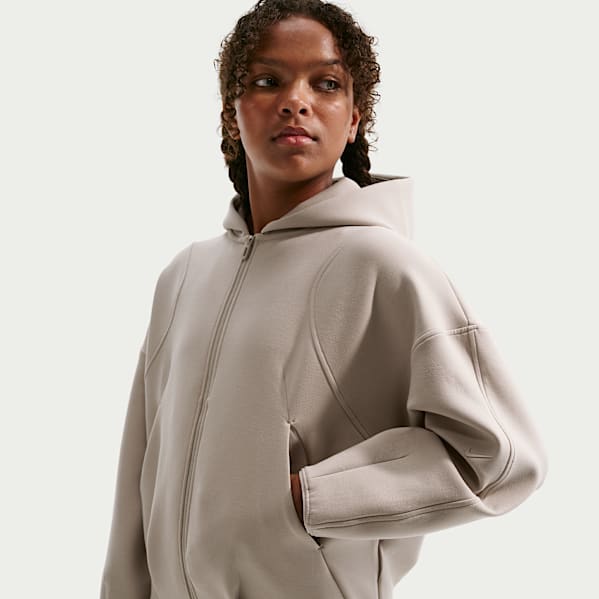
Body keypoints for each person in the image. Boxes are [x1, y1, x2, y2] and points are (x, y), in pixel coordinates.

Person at [100, 1, 548, 597]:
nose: (296, 101)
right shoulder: (183, 276)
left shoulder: (386, 266)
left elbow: (499, 457)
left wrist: (308, 499)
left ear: (354, 118)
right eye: (268, 81)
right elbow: (140, 475)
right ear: (232, 114)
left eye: (326, 84)